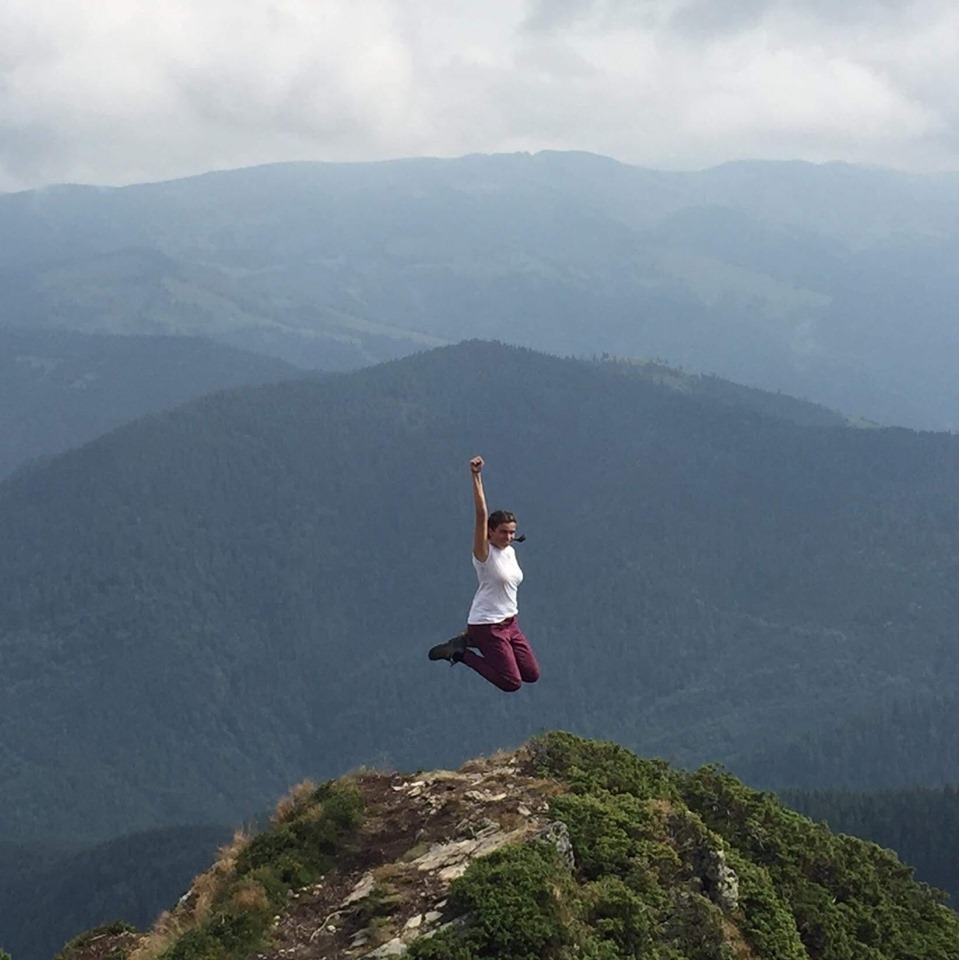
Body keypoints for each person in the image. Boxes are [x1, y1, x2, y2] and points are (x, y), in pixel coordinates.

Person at [428, 456, 540, 693]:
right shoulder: (484, 553)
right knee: (511, 683)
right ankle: (459, 652)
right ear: (490, 531)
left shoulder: (509, 551)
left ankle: (470, 640)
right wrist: (476, 475)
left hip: (511, 623)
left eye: (512, 533)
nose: (508, 537)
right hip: (487, 625)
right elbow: (481, 514)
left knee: (531, 674)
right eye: (503, 532)